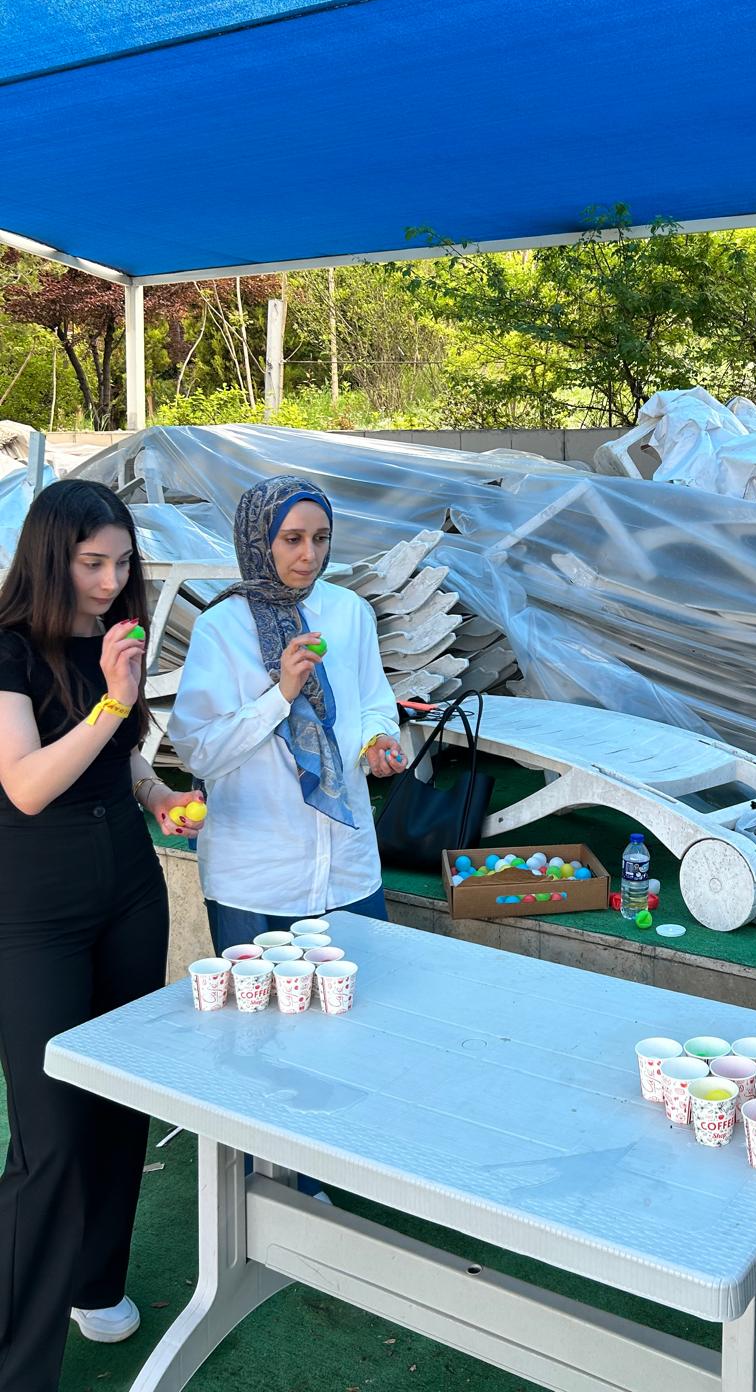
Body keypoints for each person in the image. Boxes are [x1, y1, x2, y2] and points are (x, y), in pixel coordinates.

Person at [0, 480, 179, 1389]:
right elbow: (26, 784)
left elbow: (122, 753)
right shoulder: (8, 648)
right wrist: (112, 699)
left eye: (122, 562)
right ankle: (18, 1361)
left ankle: (95, 1281)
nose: (111, 581)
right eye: (92, 563)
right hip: (35, 910)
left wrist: (160, 794)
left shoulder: (111, 636)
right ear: (50, 556)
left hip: (130, 891)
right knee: (52, 1133)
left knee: (118, 1100)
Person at [168, 474, 404, 952]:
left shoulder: (350, 611)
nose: (310, 555)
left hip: (346, 868)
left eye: (321, 538)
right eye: (292, 539)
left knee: (360, 993)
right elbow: (199, 751)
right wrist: (281, 694)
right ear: (260, 540)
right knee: (259, 1002)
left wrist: (377, 740)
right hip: (257, 875)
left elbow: (374, 702)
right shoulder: (221, 626)